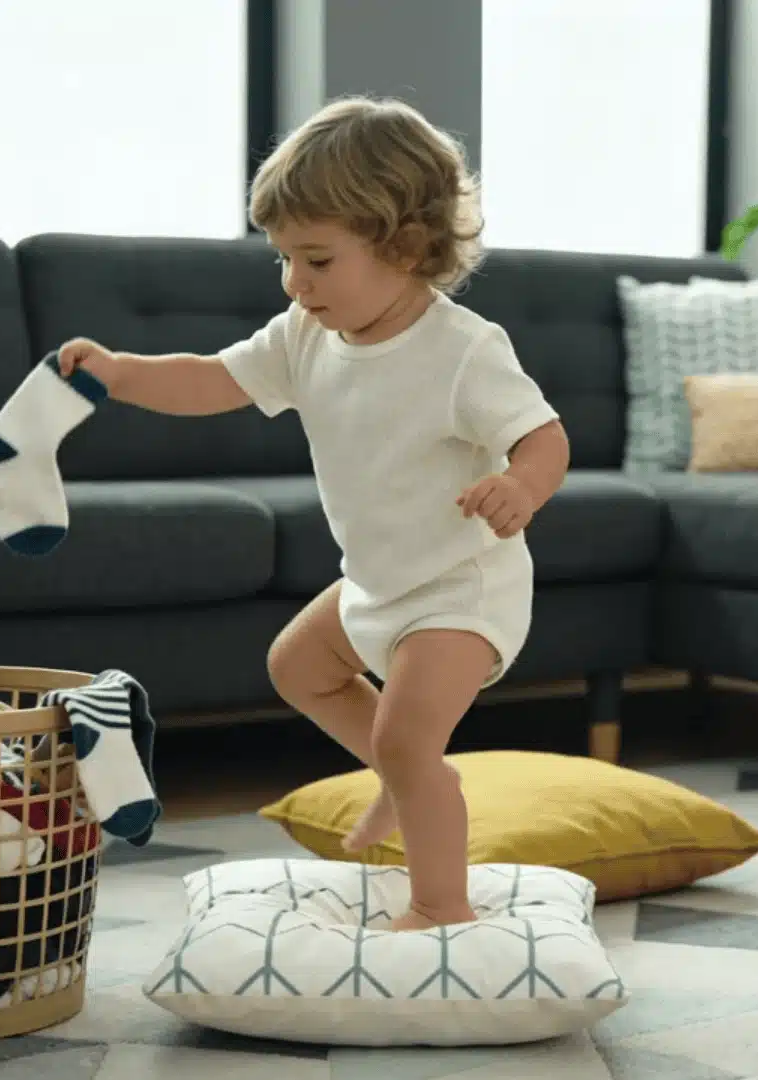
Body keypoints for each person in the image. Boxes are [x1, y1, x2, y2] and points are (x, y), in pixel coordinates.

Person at [54, 97, 568, 931]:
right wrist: (121, 373)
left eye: (317, 260)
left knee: (405, 740)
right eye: (285, 259)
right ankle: (414, 787)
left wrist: (522, 486)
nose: (296, 282)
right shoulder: (305, 334)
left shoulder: (464, 350)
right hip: (374, 581)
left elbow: (544, 438)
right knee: (298, 667)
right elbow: (215, 379)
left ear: (404, 245)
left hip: (459, 588)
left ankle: (442, 904)